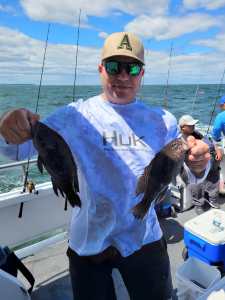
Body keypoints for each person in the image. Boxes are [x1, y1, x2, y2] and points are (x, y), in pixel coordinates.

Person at [0, 32, 211, 300]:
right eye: (114, 66)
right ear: (101, 68)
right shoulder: (73, 117)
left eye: (132, 68)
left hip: (144, 236)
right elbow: (14, 147)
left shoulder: (164, 120)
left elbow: (189, 175)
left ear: (142, 73)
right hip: (89, 240)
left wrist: (199, 164)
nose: (123, 76)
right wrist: (8, 123)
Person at [178, 114, 221, 213]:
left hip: (206, 162)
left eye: (193, 125)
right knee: (195, 183)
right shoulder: (178, 138)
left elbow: (210, 141)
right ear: (182, 127)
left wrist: (217, 149)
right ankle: (198, 204)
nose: (193, 127)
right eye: (190, 125)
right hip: (189, 167)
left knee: (214, 173)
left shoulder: (196, 133)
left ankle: (212, 199)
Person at [212, 95, 225, 195]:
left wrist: (216, 142)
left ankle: (222, 189)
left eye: (221, 105)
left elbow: (216, 131)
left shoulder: (221, 116)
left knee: (222, 166)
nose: (220, 107)